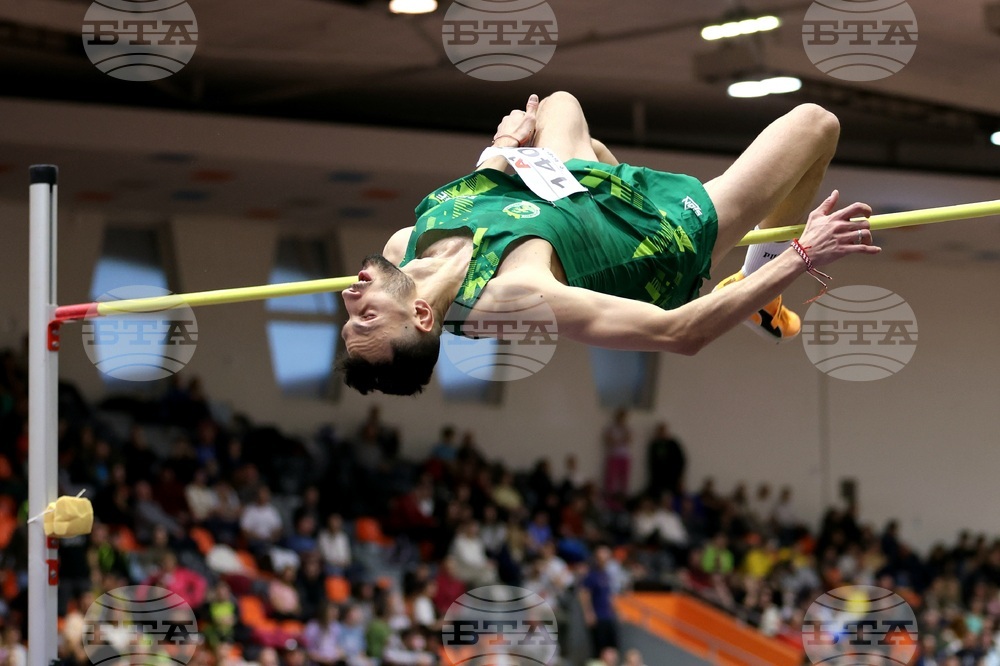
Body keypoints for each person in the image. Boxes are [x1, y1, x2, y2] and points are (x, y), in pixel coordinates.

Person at [338, 91, 879, 395]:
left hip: (584, 195)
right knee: (816, 125)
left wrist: (503, 146)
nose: (348, 300)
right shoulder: (512, 296)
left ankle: (589, 163)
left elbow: (483, 196)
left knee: (558, 106)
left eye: (350, 315)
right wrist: (798, 255)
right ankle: (761, 292)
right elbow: (681, 335)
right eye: (366, 318)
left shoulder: (402, 245)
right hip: (657, 244)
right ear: (425, 316)